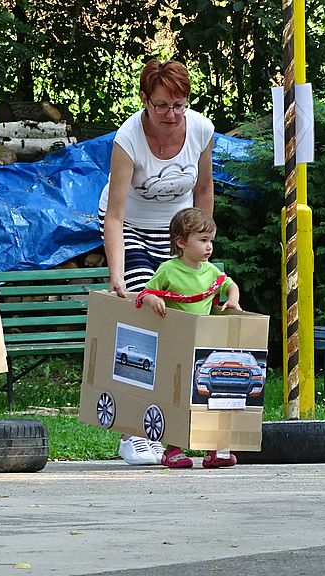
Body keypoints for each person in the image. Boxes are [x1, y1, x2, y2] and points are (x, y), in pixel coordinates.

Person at [99, 58, 215, 465]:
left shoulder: (200, 130)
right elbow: (115, 215)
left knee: (179, 324)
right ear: (145, 101)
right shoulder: (128, 139)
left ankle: (169, 427)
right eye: (162, 105)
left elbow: (203, 190)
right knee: (145, 323)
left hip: (177, 232)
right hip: (130, 226)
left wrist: (203, 243)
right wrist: (118, 275)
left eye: (179, 105)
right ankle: (133, 433)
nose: (171, 114)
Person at [138, 207, 241, 469]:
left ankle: (213, 449)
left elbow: (230, 284)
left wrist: (232, 299)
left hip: (206, 346)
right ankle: (173, 449)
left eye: (211, 241)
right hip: (177, 346)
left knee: (210, 395)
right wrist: (154, 301)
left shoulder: (210, 271)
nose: (209, 247)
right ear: (181, 242)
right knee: (179, 397)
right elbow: (146, 293)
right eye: (203, 240)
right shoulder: (168, 270)